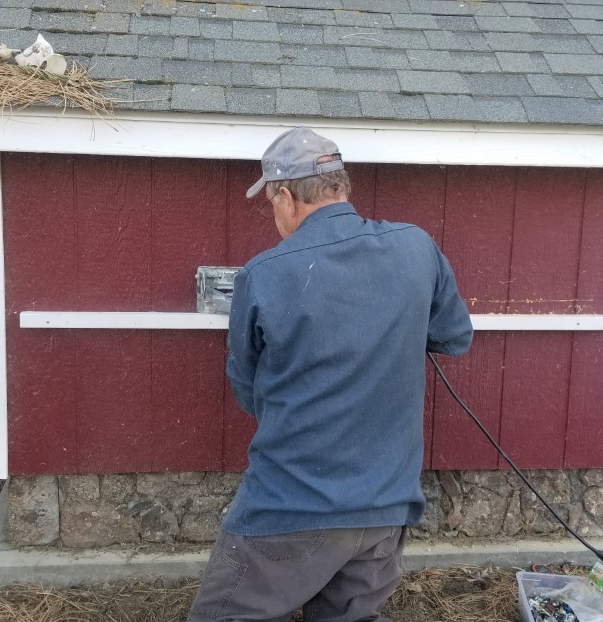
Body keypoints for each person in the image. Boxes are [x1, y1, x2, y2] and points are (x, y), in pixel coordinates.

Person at [186, 127, 473, 622]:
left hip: (291, 507)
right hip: (386, 504)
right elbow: (454, 337)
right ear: (341, 186)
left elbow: (248, 389)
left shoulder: (264, 273)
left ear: (284, 195)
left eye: (272, 203)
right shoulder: (417, 247)